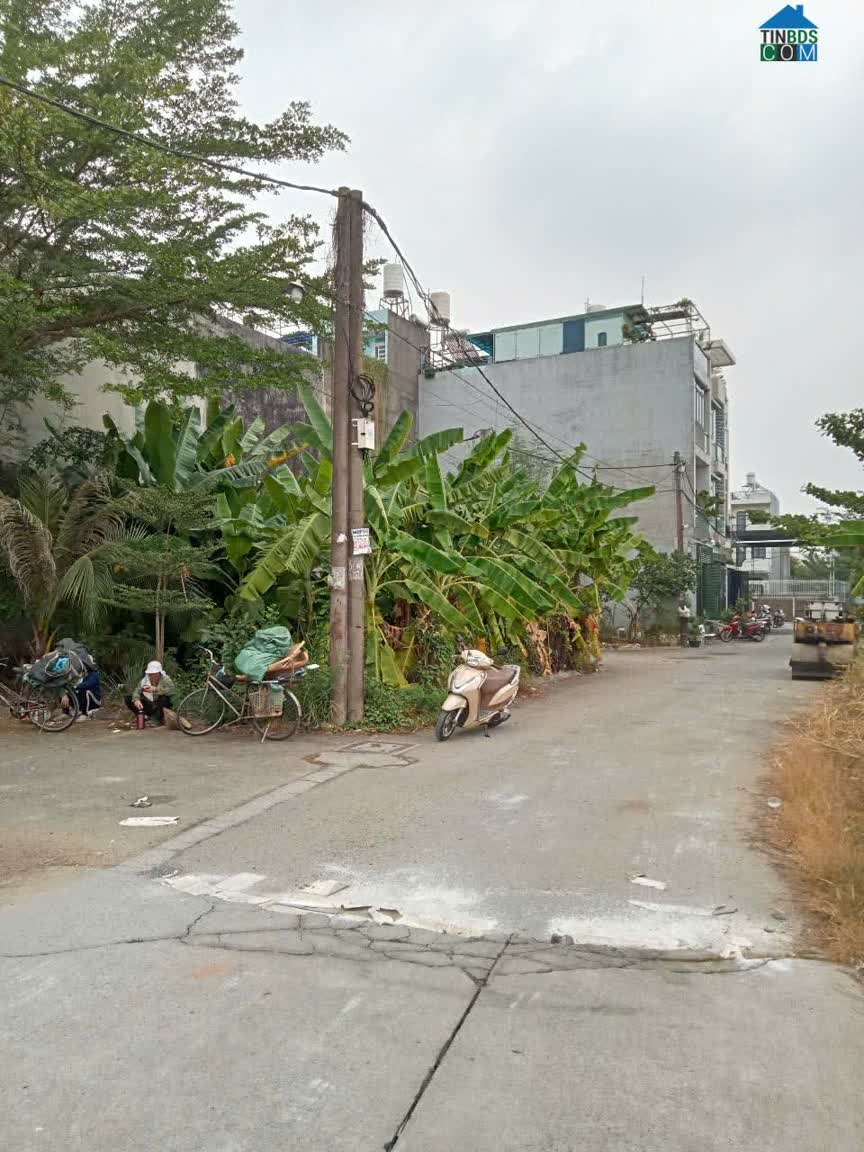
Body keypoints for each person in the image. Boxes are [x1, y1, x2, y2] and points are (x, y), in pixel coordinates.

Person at [126, 660, 176, 726]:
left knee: (164, 698)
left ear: (159, 673)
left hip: (161, 705)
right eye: (150, 674)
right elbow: (137, 690)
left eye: (155, 674)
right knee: (128, 698)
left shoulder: (166, 679)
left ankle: (158, 719)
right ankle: (143, 717)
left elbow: (172, 691)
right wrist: (136, 700)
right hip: (151, 704)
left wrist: (156, 689)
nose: (152, 676)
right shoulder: (145, 681)